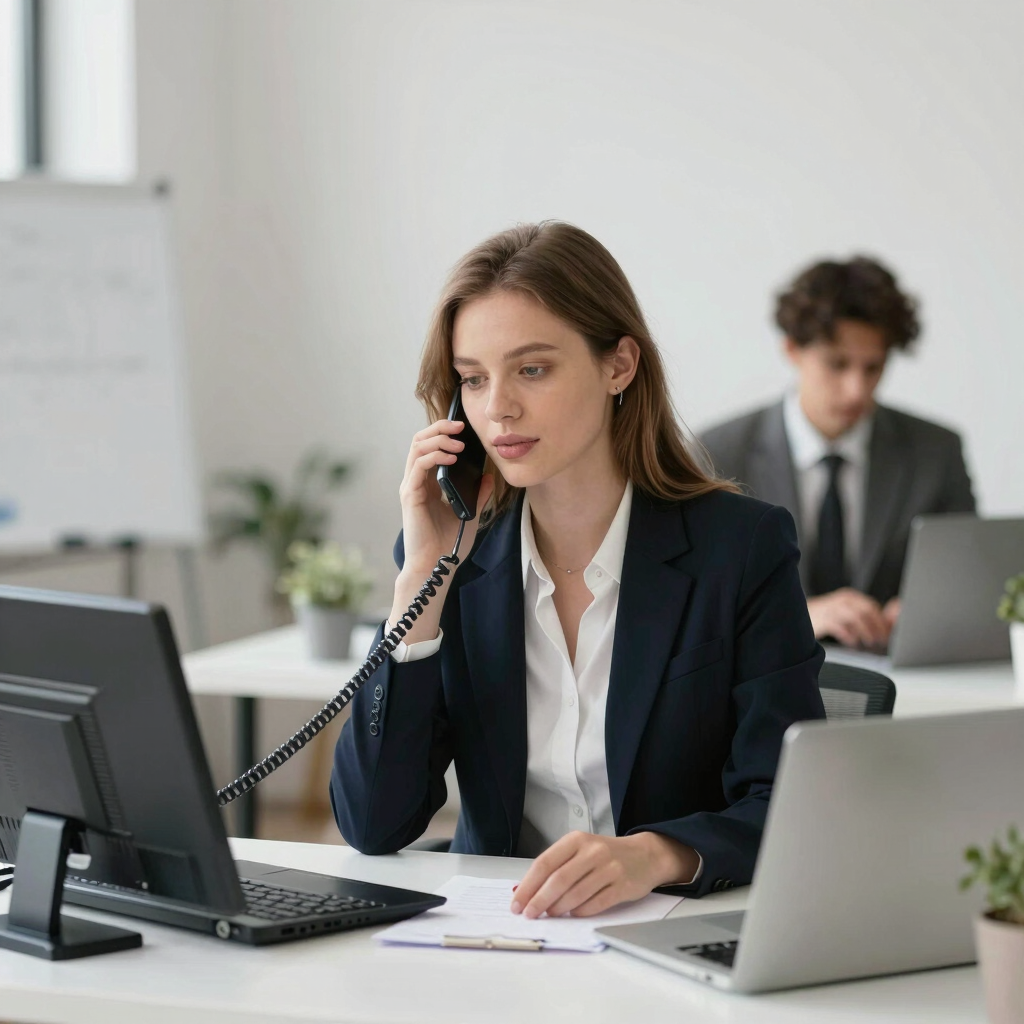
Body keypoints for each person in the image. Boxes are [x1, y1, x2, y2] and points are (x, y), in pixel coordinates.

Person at [331, 222, 824, 917]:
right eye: (472, 380)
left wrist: (654, 854)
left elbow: (788, 804)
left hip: (672, 933)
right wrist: (422, 580)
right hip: (503, 937)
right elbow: (373, 824)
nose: (497, 407)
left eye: (531, 369)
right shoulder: (456, 560)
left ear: (618, 366)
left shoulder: (740, 549)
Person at [700, 257, 975, 651]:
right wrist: (798, 614)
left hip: (902, 686)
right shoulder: (717, 453)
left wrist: (928, 611)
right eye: (837, 364)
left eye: (873, 368)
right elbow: (694, 601)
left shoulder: (936, 452)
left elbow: (971, 583)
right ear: (792, 350)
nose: (857, 391)